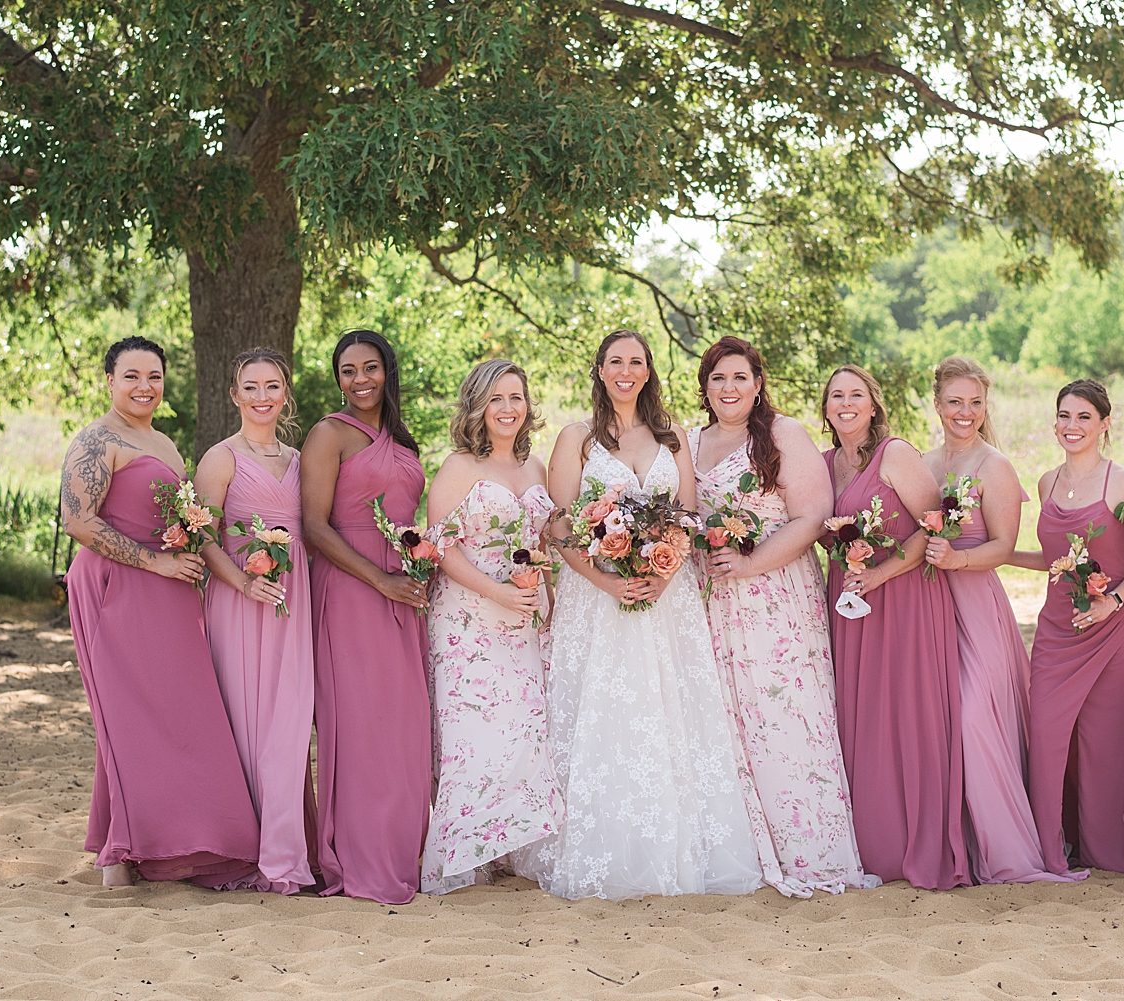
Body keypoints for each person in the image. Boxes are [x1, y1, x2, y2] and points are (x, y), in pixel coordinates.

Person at [513, 329, 771, 900]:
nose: (625, 371)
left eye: (636, 362)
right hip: (597, 597)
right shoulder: (576, 439)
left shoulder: (671, 434)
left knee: (669, 712)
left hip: (666, 595)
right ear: (600, 371)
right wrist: (608, 579)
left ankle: (673, 845)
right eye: (614, 362)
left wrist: (665, 568)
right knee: (605, 715)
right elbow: (559, 526)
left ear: (648, 370)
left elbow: (687, 514)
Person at [61, 336, 259, 889]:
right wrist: (156, 563)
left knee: (178, 714)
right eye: (131, 376)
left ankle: (176, 843)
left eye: (153, 375)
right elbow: (78, 521)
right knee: (127, 718)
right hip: (118, 588)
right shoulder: (96, 441)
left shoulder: (165, 443)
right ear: (109, 381)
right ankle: (120, 856)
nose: (144, 386)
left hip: (169, 591)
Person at [691, 337, 877, 896]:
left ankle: (807, 847)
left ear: (757, 383)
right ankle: (739, 848)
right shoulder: (687, 442)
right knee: (723, 719)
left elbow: (813, 517)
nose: (729, 388)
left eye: (740, 377)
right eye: (719, 378)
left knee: (784, 716)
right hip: (711, 598)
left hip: (776, 597)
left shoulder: (782, 435)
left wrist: (751, 564)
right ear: (705, 386)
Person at [922, 358, 1083, 884]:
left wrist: (957, 559)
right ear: (938, 403)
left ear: (985, 407)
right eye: (955, 402)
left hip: (975, 601)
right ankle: (957, 843)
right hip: (927, 605)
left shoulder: (994, 466)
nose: (964, 413)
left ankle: (1007, 846)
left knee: (976, 718)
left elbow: (1003, 547)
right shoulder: (922, 464)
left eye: (975, 403)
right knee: (940, 722)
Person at [820, 365, 969, 891]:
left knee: (906, 711)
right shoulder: (822, 465)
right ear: (825, 407)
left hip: (903, 597)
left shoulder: (895, 454)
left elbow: (935, 525)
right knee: (861, 715)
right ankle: (871, 843)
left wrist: (879, 573)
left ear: (874, 404)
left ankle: (917, 842)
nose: (846, 403)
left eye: (856, 394)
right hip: (851, 604)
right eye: (836, 395)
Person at [420, 360, 564, 893]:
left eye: (516, 398)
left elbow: (542, 540)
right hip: (468, 621)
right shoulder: (458, 467)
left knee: (525, 734)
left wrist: (540, 586)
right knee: (473, 737)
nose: (507, 408)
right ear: (478, 405)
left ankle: (511, 851)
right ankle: (463, 858)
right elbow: (442, 547)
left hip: (526, 620)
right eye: (496, 398)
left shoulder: (536, 469)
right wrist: (496, 590)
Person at [300, 329, 430, 905]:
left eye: (370, 368)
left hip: (404, 590)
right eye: (348, 371)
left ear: (387, 370)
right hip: (353, 588)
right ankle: (357, 860)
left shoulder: (403, 440)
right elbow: (314, 526)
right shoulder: (328, 434)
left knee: (405, 727)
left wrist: (417, 566)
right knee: (359, 726)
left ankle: (404, 853)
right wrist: (379, 579)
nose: (360, 380)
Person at [1008, 379, 1124, 876]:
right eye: (1065, 416)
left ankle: (1103, 850)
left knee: (1104, 742)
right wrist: (985, 554)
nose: (1072, 426)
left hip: (1113, 630)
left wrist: (1112, 600)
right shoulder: (1046, 482)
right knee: (1046, 735)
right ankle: (1051, 849)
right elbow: (1050, 558)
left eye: (1084, 417)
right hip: (1056, 630)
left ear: (1104, 424)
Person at [196, 347, 315, 895]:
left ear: (285, 393)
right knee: (245, 719)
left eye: (272, 386)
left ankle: (285, 854)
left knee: (289, 725)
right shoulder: (221, 458)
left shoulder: (300, 459)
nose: (262, 397)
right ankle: (246, 848)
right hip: (240, 601)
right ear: (235, 395)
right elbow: (201, 535)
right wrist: (243, 581)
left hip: (295, 600)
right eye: (252, 387)